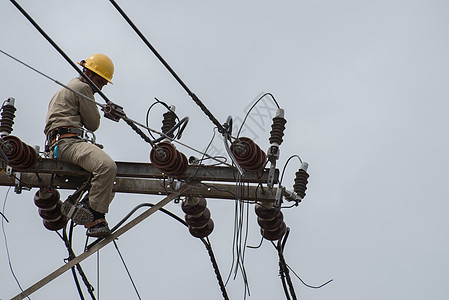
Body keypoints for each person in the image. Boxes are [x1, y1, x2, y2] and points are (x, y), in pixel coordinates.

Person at [44, 53, 117, 238]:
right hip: (67, 143)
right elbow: (93, 123)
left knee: (108, 181)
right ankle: (95, 216)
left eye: (103, 84)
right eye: (100, 81)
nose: (100, 87)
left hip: (61, 143)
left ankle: (82, 205)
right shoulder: (82, 87)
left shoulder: (69, 87)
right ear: (88, 74)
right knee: (107, 167)